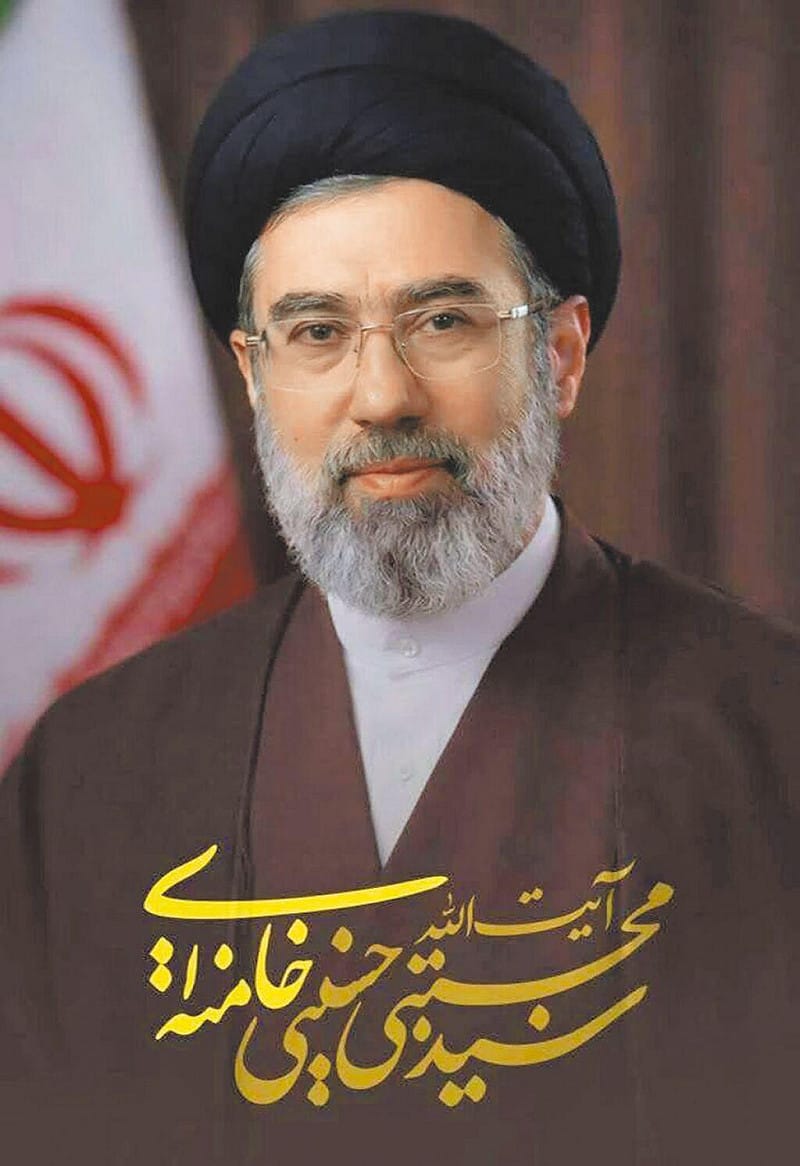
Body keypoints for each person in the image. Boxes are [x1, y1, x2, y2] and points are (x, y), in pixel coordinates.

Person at [1, 11, 796, 1165]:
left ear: (559, 355)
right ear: (253, 373)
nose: (381, 396)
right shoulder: (90, 776)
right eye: (316, 331)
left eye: (442, 319)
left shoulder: (769, 739)